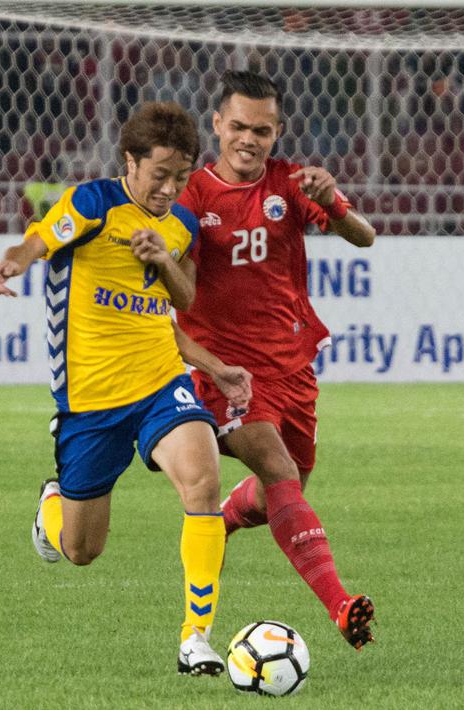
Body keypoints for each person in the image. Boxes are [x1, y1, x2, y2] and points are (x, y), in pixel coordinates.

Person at [0, 101, 251, 677]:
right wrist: (14, 261)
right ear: (129, 161)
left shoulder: (178, 225)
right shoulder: (94, 204)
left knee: (203, 482)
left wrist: (216, 366)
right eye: (159, 175)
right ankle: (52, 507)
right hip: (91, 402)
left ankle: (195, 639)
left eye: (180, 178)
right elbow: (39, 240)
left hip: (161, 382)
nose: (168, 189)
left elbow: (176, 305)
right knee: (82, 551)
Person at [176, 71, 378, 650]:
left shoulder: (292, 182)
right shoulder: (193, 196)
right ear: (216, 124)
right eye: (237, 126)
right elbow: (176, 277)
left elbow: (364, 237)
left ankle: (219, 517)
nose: (249, 139)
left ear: (277, 131)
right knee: (281, 473)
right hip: (226, 373)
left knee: (280, 496)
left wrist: (331, 204)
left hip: (293, 368)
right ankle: (341, 606)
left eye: (262, 130)